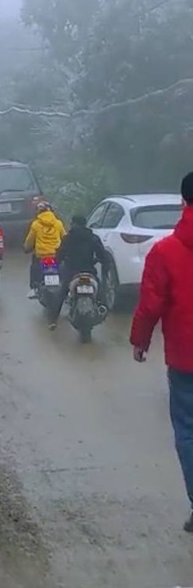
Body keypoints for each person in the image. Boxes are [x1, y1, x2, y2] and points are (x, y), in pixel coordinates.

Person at [130, 172, 193, 532]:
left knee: (188, 431)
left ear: (184, 202)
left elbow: (151, 303)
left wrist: (140, 339)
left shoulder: (165, 252)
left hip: (186, 361)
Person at [52, 214, 109, 327]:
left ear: (73, 224)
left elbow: (59, 256)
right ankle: (103, 310)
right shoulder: (93, 238)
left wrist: (56, 264)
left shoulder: (67, 238)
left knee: (62, 293)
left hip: (72, 272)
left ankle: (53, 320)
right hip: (89, 271)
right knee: (101, 294)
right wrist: (104, 263)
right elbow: (103, 256)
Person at [23, 201, 66, 298]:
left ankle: (34, 288)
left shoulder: (35, 225)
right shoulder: (58, 223)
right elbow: (65, 238)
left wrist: (26, 248)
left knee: (34, 268)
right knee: (63, 270)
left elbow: (29, 241)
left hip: (41, 256)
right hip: (56, 255)